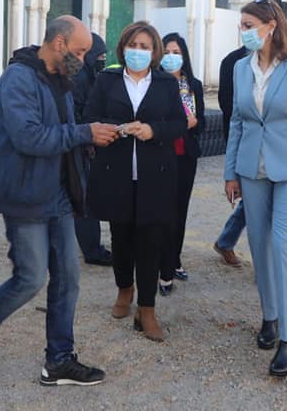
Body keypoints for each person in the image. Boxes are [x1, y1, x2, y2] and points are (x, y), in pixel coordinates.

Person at [0, 16, 119, 386]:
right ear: (59, 43)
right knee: (29, 279)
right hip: (25, 195)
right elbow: (29, 138)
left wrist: (87, 141)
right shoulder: (18, 80)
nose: (85, 57)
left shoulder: (60, 80)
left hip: (57, 194)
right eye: (80, 50)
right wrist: (82, 133)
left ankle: (59, 360)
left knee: (68, 278)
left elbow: (63, 134)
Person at [224, 0, 287, 377]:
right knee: (259, 246)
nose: (244, 31)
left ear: (271, 25)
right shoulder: (239, 68)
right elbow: (237, 120)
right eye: (242, 25)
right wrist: (230, 171)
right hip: (252, 170)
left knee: (284, 245)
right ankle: (269, 316)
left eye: (249, 24)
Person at [85, 21, 187, 342]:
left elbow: (180, 124)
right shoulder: (107, 80)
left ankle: (147, 308)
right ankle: (123, 291)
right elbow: (89, 116)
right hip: (116, 173)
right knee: (121, 237)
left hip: (155, 176)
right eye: (133, 45)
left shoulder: (166, 85)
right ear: (123, 48)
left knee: (151, 240)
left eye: (145, 47)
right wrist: (114, 128)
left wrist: (152, 129)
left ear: (154, 51)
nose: (138, 52)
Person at [158, 33, 205, 295]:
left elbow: (203, 123)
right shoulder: (155, 82)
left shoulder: (194, 85)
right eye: (166, 51)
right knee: (161, 210)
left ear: (184, 55)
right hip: (160, 155)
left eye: (176, 51)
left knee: (179, 211)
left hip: (185, 155)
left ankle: (174, 260)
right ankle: (159, 263)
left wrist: (195, 123)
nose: (171, 56)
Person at [71, 32, 114, 266]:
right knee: (84, 200)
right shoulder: (79, 77)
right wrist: (88, 138)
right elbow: (79, 112)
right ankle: (92, 250)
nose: (102, 59)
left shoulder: (86, 74)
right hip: (78, 143)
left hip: (79, 142)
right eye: (99, 55)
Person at [212, 45, 249, 268]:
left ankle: (226, 240)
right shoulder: (232, 62)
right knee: (253, 198)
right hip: (243, 139)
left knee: (255, 200)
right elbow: (227, 105)